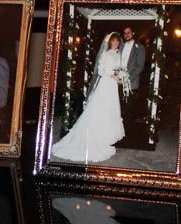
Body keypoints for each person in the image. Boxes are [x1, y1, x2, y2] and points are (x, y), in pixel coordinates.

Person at [52, 32, 126, 163]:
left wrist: (120, 77)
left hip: (113, 87)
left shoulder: (119, 55)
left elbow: (120, 69)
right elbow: (101, 70)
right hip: (105, 85)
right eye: (113, 41)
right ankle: (93, 139)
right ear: (109, 42)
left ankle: (104, 138)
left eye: (117, 41)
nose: (115, 43)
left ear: (119, 43)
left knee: (110, 111)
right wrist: (112, 76)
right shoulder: (106, 54)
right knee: (99, 110)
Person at [118, 26, 146, 123]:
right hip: (118, 82)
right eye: (125, 33)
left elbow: (139, 66)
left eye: (128, 32)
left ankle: (129, 131)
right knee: (119, 107)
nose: (127, 34)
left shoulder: (139, 47)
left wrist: (128, 78)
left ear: (133, 33)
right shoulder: (121, 46)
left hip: (131, 83)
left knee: (129, 109)